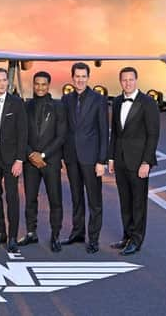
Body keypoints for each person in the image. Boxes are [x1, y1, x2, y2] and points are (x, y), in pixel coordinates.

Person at [108, 67, 160, 255]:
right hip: (120, 160)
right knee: (125, 201)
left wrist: (147, 162)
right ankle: (127, 236)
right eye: (124, 80)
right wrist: (111, 157)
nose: (127, 83)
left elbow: (153, 135)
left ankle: (136, 241)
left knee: (138, 203)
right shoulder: (116, 101)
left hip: (139, 162)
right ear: (120, 81)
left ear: (136, 80)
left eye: (131, 79)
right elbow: (115, 132)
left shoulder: (148, 103)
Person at [61, 62, 108, 254]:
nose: (80, 80)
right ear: (72, 78)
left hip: (91, 158)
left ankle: (94, 239)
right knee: (76, 197)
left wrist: (101, 161)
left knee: (94, 201)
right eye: (77, 76)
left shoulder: (98, 99)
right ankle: (77, 233)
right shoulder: (66, 99)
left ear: (88, 78)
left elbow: (104, 131)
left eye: (83, 76)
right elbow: (64, 129)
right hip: (72, 157)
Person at [19, 71, 66, 252]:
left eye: (43, 84)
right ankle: (31, 233)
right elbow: (21, 134)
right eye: (37, 84)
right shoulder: (26, 106)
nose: (40, 87)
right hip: (30, 161)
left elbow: (61, 136)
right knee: (30, 199)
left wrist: (43, 155)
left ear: (49, 85)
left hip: (50, 161)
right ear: (33, 84)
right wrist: (31, 154)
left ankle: (55, 236)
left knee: (55, 200)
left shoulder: (58, 106)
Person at [0, 68, 27, 253]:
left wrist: (19, 159)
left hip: (11, 158)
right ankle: (0, 233)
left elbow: (22, 133)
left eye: (5, 80)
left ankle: (12, 237)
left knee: (12, 198)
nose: (3, 83)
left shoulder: (16, 103)